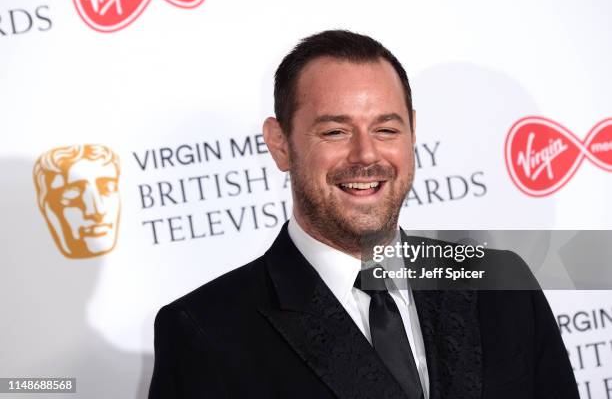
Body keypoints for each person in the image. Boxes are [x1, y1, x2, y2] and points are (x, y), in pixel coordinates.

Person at [148, 30, 579, 399]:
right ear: (280, 144)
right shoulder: (205, 331)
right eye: (335, 131)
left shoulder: (501, 284)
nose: (366, 154)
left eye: (386, 130)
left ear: (411, 132)